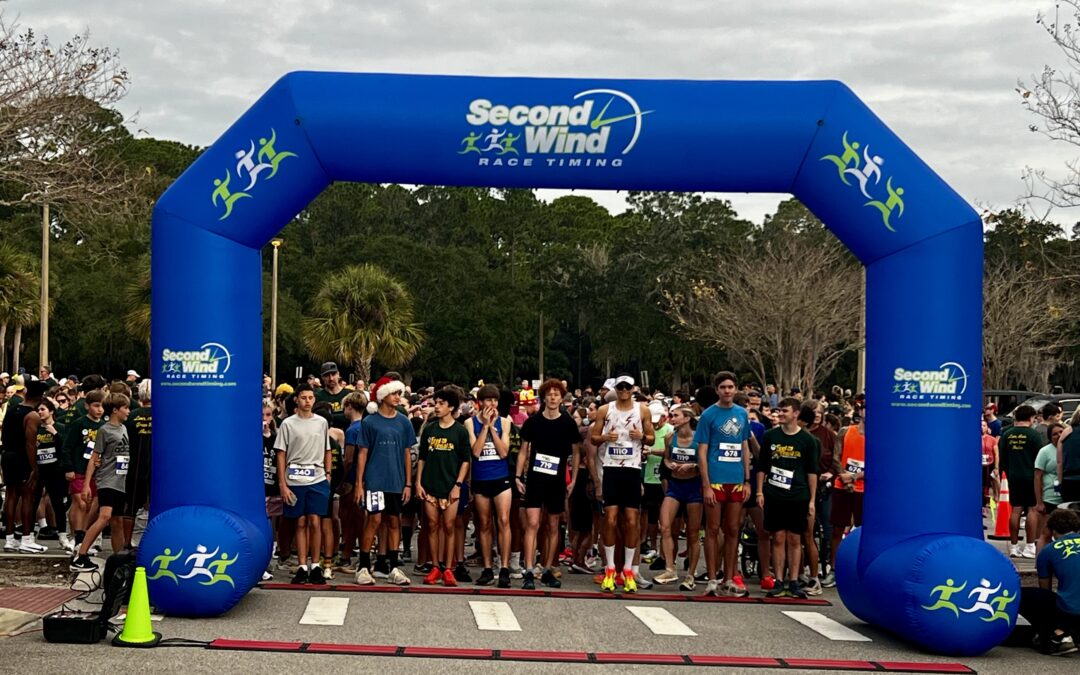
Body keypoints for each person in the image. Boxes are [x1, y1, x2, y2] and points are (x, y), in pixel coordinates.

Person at [589, 374, 655, 593]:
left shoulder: (642, 409)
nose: (624, 390)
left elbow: (652, 437)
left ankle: (628, 569)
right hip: (611, 468)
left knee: (632, 520)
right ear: (616, 389)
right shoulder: (605, 410)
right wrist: (607, 438)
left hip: (633, 470)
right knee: (610, 518)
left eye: (627, 387)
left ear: (633, 389)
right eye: (620, 387)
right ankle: (609, 567)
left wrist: (641, 437)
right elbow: (593, 438)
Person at [516, 378, 581, 590]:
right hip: (535, 477)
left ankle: (547, 568)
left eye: (557, 394)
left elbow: (576, 451)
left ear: (562, 398)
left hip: (557, 479)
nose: (553, 397)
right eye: (549, 394)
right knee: (533, 523)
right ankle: (528, 569)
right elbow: (524, 450)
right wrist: (518, 476)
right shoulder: (533, 422)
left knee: (553, 525)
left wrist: (573, 480)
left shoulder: (568, 423)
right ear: (543, 397)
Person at [695, 371, 752, 597]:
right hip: (716, 480)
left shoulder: (742, 414)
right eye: (723, 387)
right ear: (717, 390)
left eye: (730, 387)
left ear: (736, 389)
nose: (727, 391)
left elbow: (745, 446)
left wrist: (747, 480)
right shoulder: (709, 415)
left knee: (733, 529)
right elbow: (702, 452)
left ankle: (729, 578)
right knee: (712, 528)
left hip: (736, 480)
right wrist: (706, 484)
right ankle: (711, 578)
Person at [353, 375, 415, 586]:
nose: (398, 397)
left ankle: (393, 565)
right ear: (382, 396)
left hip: (396, 481)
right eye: (394, 393)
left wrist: (408, 483)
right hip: (375, 480)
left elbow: (407, 453)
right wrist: (359, 484)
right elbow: (362, 454)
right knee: (375, 519)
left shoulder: (404, 422)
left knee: (394, 520)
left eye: (399, 393)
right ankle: (363, 566)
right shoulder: (369, 422)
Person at [756, 398, 819, 599]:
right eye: (779, 410)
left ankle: (793, 581)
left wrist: (811, 501)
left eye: (785, 411)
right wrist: (759, 491)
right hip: (774, 494)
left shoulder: (808, 441)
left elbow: (812, 472)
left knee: (795, 538)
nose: (780, 414)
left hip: (798, 495)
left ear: (796, 413)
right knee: (778, 537)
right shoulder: (770, 436)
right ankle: (779, 581)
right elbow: (762, 466)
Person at [275, 383, 332, 584]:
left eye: (310, 398)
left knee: (315, 520)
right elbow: (281, 454)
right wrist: (282, 483)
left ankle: (316, 565)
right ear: (296, 400)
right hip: (294, 477)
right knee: (299, 521)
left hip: (317, 477)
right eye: (303, 398)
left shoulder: (322, 422)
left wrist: (327, 473)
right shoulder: (288, 424)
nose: (307, 401)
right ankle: (301, 565)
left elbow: (327, 448)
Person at [415, 388, 471, 586]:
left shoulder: (460, 431)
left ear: (451, 407)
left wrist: (458, 484)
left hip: (451, 486)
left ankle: (448, 568)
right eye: (435, 403)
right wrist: (418, 482)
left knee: (449, 526)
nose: (436, 407)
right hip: (430, 484)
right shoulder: (429, 429)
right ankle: (435, 566)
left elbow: (466, 460)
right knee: (431, 525)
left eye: (441, 403)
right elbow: (422, 457)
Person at [70, 392, 131, 571]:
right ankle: (81, 554)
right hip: (107, 480)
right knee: (104, 517)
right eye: (125, 408)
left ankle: (119, 561)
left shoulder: (123, 428)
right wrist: (87, 484)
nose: (128, 411)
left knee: (117, 521)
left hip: (121, 481)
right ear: (115, 410)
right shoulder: (105, 430)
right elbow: (94, 458)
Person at [467, 384, 513, 587]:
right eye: (488, 400)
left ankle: (504, 568)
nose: (492, 404)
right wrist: (484, 426)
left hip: (500, 477)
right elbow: (475, 451)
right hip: (481, 478)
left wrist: (493, 428)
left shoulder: (505, 421)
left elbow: (504, 452)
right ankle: (487, 567)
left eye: (495, 400)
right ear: (481, 403)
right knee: (484, 524)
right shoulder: (470, 423)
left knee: (503, 520)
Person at [1019, 508, 1080, 655]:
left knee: (1024, 595)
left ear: (1051, 530)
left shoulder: (1048, 551)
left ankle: (1056, 635)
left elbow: (1045, 591)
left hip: (1072, 613)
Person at [654, 404, 703, 591]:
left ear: (687, 418)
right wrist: (671, 464)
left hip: (693, 487)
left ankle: (690, 574)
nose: (672, 418)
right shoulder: (669, 438)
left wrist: (693, 466)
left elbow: (704, 462)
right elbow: (665, 459)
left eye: (675, 415)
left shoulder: (698, 440)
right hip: (675, 485)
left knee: (693, 533)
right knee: (664, 526)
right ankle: (669, 568)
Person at [3, 380, 48, 553]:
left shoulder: (13, 409)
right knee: (28, 496)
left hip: (7, 455)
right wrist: (34, 469)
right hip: (22, 457)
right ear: (40, 396)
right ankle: (27, 538)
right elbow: (31, 444)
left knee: (11, 496)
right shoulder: (32, 416)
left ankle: (9, 538)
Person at [825, 402, 866, 587]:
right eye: (864, 408)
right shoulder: (845, 431)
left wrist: (855, 476)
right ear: (859, 411)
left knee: (862, 531)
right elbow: (836, 456)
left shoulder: (881, 435)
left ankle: (860, 571)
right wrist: (844, 476)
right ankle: (833, 570)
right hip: (842, 486)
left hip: (864, 489)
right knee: (837, 529)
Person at [999, 405, 1043, 559]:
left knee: (1016, 510)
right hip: (1031, 477)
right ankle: (1030, 546)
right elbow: (1040, 458)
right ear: (1031, 418)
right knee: (1032, 510)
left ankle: (1013, 546)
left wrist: (1002, 474)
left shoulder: (1006, 434)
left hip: (1013, 476)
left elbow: (1002, 458)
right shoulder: (1034, 435)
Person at [32, 396, 73, 552]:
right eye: (38, 410)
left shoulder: (61, 427)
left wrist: (55, 433)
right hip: (40, 470)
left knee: (58, 504)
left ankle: (62, 536)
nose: (40, 412)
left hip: (56, 471)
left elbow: (66, 447)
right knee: (34, 501)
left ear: (51, 411)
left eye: (42, 409)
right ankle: (28, 536)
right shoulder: (36, 428)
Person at [120, 380, 152, 551]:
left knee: (130, 506)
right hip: (157, 468)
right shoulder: (163, 415)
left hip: (134, 466)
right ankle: (154, 538)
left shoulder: (130, 416)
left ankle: (127, 542)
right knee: (154, 504)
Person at [1035, 424, 1066, 555]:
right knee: (1046, 533)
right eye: (1055, 434)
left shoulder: (1070, 448)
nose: (1058, 436)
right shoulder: (1045, 451)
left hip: (1066, 499)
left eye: (1061, 432)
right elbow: (1037, 477)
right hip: (1049, 498)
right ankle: (1040, 563)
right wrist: (1039, 502)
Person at [315, 362, 350, 432]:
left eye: (333, 374)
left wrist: (330, 417)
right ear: (322, 377)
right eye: (327, 375)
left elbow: (351, 417)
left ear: (338, 374)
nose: (331, 378)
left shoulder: (349, 395)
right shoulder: (317, 396)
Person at [1059, 409, 1080, 502]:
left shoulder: (1066, 432)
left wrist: (1059, 484)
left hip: (1068, 481)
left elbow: (1059, 462)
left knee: (1070, 513)